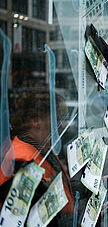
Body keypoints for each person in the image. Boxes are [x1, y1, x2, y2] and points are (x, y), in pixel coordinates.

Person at [0, 89, 74, 225]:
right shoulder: (22, 161)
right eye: (57, 119)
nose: (63, 125)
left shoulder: (44, 147)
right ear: (35, 120)